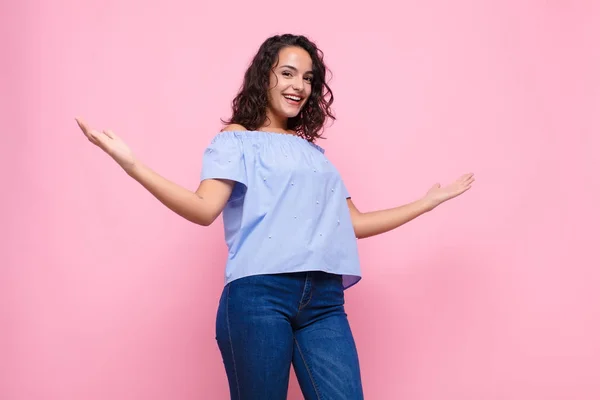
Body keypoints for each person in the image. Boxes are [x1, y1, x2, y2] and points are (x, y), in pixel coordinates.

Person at [76, 33, 474, 400]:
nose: (298, 86)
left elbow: (353, 223)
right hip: (259, 297)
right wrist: (132, 165)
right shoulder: (236, 139)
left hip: (324, 299)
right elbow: (202, 209)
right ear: (264, 76)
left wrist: (427, 202)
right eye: (287, 73)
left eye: (307, 78)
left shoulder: (314, 154)